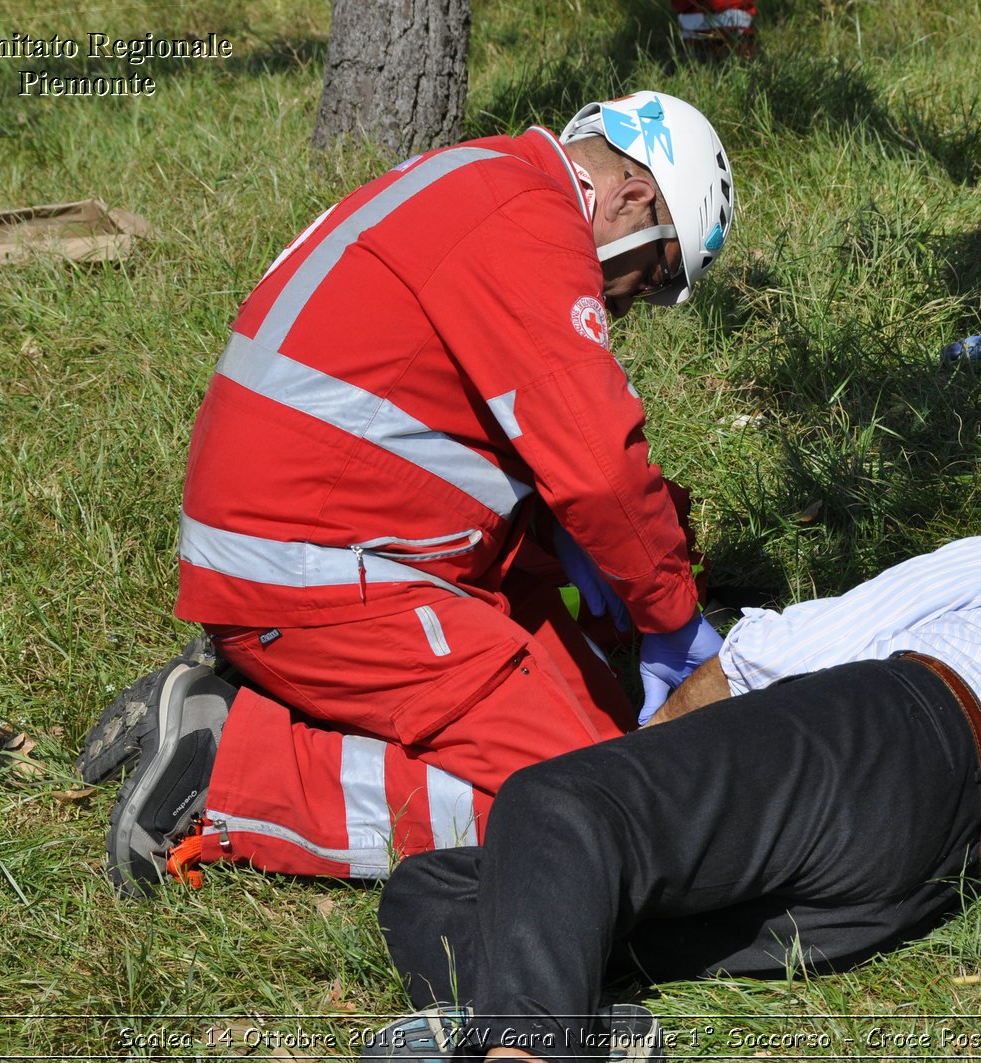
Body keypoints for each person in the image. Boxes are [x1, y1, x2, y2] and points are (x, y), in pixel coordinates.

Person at [78, 91, 736, 897]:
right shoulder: (531, 226)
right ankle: (235, 774)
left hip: (314, 542)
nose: (639, 301)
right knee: (592, 804)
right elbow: (598, 468)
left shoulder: (482, 178)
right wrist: (673, 618)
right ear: (632, 201)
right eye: (659, 274)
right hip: (321, 570)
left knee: (606, 728)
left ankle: (254, 696)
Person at [368, 531, 981, 1062]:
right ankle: (579, 1025)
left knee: (554, 808)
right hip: (923, 878)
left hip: (901, 737)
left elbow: (770, 655)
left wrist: (638, 773)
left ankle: (521, 1046)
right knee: (435, 890)